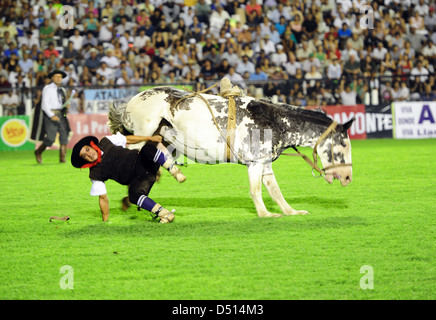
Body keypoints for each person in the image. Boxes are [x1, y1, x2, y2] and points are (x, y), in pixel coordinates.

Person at [70, 132, 186, 223]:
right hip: (139, 180)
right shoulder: (95, 174)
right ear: (83, 160)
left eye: (87, 150)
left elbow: (127, 139)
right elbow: (102, 198)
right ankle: (165, 214)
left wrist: (149, 138)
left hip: (144, 162)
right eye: (84, 156)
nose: (88, 154)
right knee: (133, 196)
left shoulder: (106, 141)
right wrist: (105, 221)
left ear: (91, 146)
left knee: (147, 149)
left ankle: (175, 172)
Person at [34, 69, 71, 164]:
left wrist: (66, 105)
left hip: (61, 114)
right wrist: (51, 115)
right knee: (50, 138)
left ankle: (62, 158)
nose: (59, 78)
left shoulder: (62, 89)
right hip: (50, 114)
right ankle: (38, 152)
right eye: (56, 76)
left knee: (64, 135)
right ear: (52, 78)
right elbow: (44, 104)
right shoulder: (47, 88)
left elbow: (62, 103)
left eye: (60, 77)